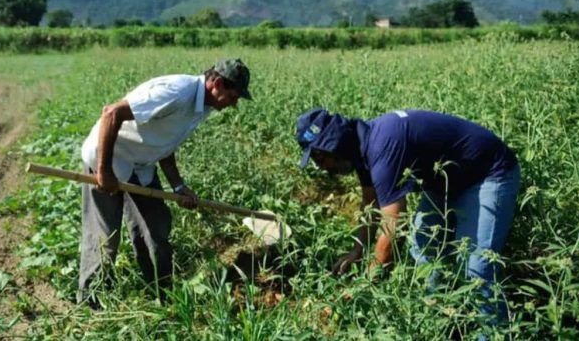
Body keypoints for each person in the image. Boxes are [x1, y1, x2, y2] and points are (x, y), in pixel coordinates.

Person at [295, 108, 520, 323]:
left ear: (334, 145)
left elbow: (394, 227)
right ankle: (438, 321)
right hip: (445, 181)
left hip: (488, 173)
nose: (321, 167)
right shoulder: (361, 148)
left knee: (476, 269)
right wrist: (358, 249)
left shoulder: (382, 147)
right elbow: (370, 203)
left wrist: (364, 286)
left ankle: (492, 332)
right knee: (423, 248)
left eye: (319, 157)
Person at [79, 59, 252, 304]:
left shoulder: (202, 107)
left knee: (155, 228)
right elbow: (112, 113)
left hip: (140, 165)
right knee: (105, 238)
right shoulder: (176, 92)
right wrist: (103, 171)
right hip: (107, 158)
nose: (234, 104)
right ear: (218, 83)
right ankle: (90, 303)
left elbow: (165, 143)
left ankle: (162, 296)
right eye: (234, 97)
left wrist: (179, 186)